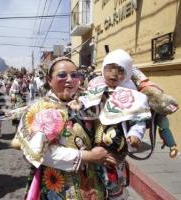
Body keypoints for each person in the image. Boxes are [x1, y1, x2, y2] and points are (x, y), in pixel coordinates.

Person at [15, 57, 119, 199]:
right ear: (49, 80)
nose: (69, 79)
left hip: (93, 185)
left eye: (74, 75)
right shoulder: (41, 109)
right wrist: (89, 156)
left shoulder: (87, 104)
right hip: (59, 187)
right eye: (62, 75)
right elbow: (41, 153)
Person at [70, 49, 152, 199]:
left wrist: (135, 134)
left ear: (127, 73)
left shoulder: (133, 96)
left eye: (120, 70)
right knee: (94, 179)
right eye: (109, 69)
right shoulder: (96, 88)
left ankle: (116, 194)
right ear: (103, 69)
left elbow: (138, 121)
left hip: (116, 147)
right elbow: (87, 105)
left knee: (112, 178)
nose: (114, 74)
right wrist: (79, 105)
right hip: (93, 144)